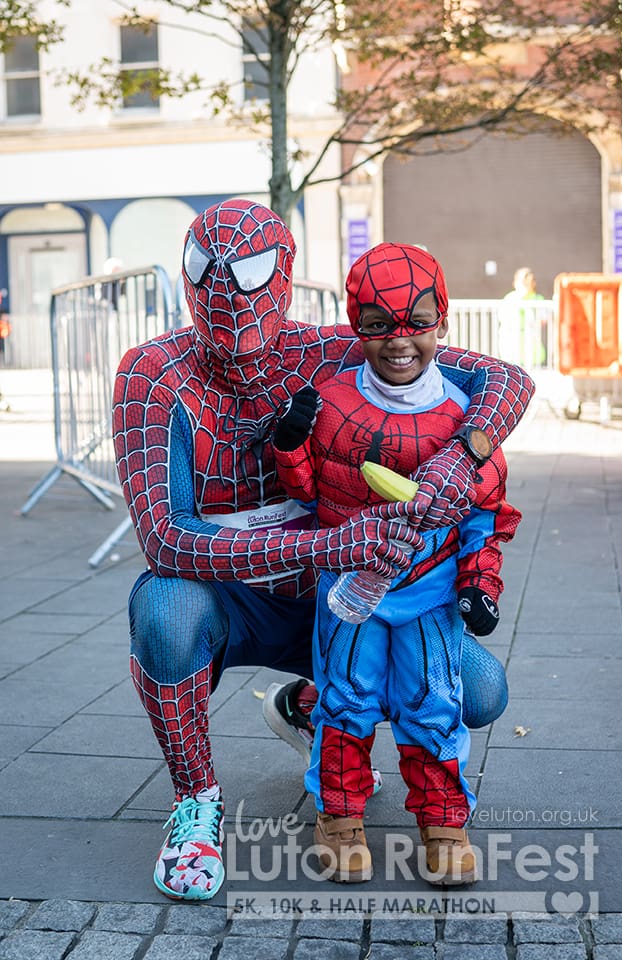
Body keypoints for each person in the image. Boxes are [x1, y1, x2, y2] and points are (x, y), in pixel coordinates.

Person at [112, 198, 534, 902]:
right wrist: (333, 541)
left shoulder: (329, 350)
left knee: (481, 692)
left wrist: (462, 457)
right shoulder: (154, 375)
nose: (225, 291)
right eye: (207, 268)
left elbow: (507, 379)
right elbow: (163, 539)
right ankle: (196, 799)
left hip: (336, 604)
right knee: (165, 609)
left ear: (282, 276)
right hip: (238, 600)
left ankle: (310, 704)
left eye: (248, 273)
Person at [271, 242, 521, 885]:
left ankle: (443, 821)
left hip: (430, 593)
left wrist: (480, 583)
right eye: (379, 325)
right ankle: (339, 816)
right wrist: (291, 446)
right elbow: (310, 496)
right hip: (350, 587)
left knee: (433, 702)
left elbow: (483, 515)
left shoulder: (465, 423)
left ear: (442, 321)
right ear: (357, 323)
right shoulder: (330, 402)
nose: (399, 340)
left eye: (417, 322)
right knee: (345, 701)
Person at [499, 267, 546, 367]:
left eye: (528, 281)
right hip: (511, 342)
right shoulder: (510, 297)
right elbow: (502, 318)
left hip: (531, 344)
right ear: (515, 282)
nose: (525, 284)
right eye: (522, 281)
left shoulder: (538, 299)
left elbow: (543, 320)